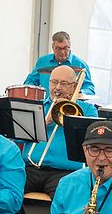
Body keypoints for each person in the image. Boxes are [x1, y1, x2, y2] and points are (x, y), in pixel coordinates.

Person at [23, 65, 96, 196]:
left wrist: (70, 115)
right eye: (54, 82)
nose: (57, 87)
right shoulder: (35, 106)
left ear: (74, 86)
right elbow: (18, 138)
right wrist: (45, 121)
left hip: (65, 172)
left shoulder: (88, 110)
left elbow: (93, 140)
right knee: (10, 194)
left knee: (63, 200)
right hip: (31, 168)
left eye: (64, 83)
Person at [24, 31, 95, 96]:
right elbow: (30, 81)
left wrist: (79, 93)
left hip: (68, 104)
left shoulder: (80, 64)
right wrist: (33, 90)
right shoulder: (43, 61)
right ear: (53, 47)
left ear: (70, 46)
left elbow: (89, 88)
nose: (62, 52)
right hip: (45, 103)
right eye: (58, 48)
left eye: (66, 48)